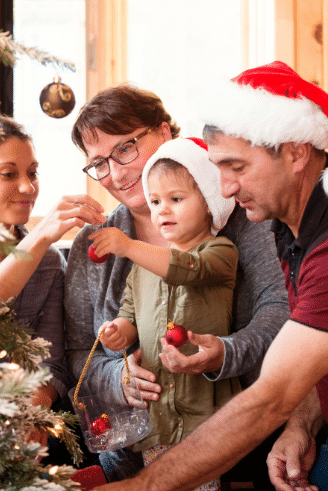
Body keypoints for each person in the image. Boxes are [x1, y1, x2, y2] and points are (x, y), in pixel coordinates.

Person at [91, 61, 328, 491]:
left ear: (296, 152)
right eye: (218, 169)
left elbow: (271, 396)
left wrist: (141, 487)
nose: (225, 189)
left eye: (237, 167)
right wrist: (302, 428)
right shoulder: (287, 228)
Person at [94, 138, 239, 491]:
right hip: (157, 410)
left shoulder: (220, 251)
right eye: (155, 201)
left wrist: (129, 246)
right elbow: (129, 316)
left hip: (206, 410)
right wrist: (118, 333)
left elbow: (188, 269)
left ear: (208, 203)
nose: (162, 210)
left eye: (176, 199)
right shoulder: (142, 268)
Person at [0, 116, 106, 454]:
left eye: (32, 173)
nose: (27, 187)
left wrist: (35, 406)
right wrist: (39, 237)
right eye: (9, 174)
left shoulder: (49, 262)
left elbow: (51, 362)